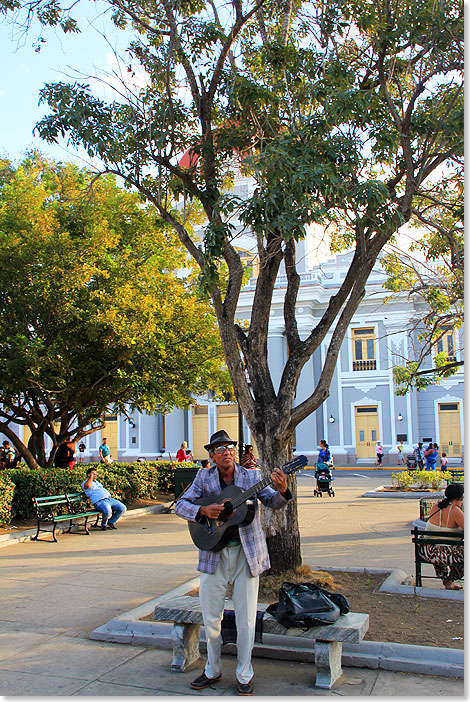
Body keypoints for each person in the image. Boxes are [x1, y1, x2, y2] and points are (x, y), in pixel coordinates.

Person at [174, 429, 292, 696]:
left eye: (230, 448)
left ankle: (244, 673)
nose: (227, 453)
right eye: (220, 449)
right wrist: (202, 510)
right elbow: (180, 504)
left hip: (246, 555)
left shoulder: (251, 476)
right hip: (213, 552)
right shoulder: (203, 477)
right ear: (212, 456)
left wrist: (283, 489)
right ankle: (212, 669)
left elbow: (272, 501)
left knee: (246, 616)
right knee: (211, 615)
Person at [423, 483, 464, 590]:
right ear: (459, 498)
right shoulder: (455, 511)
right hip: (445, 554)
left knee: (446, 549)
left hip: (428, 552)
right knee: (460, 555)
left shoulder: (436, 506)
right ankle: (449, 579)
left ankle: (446, 580)